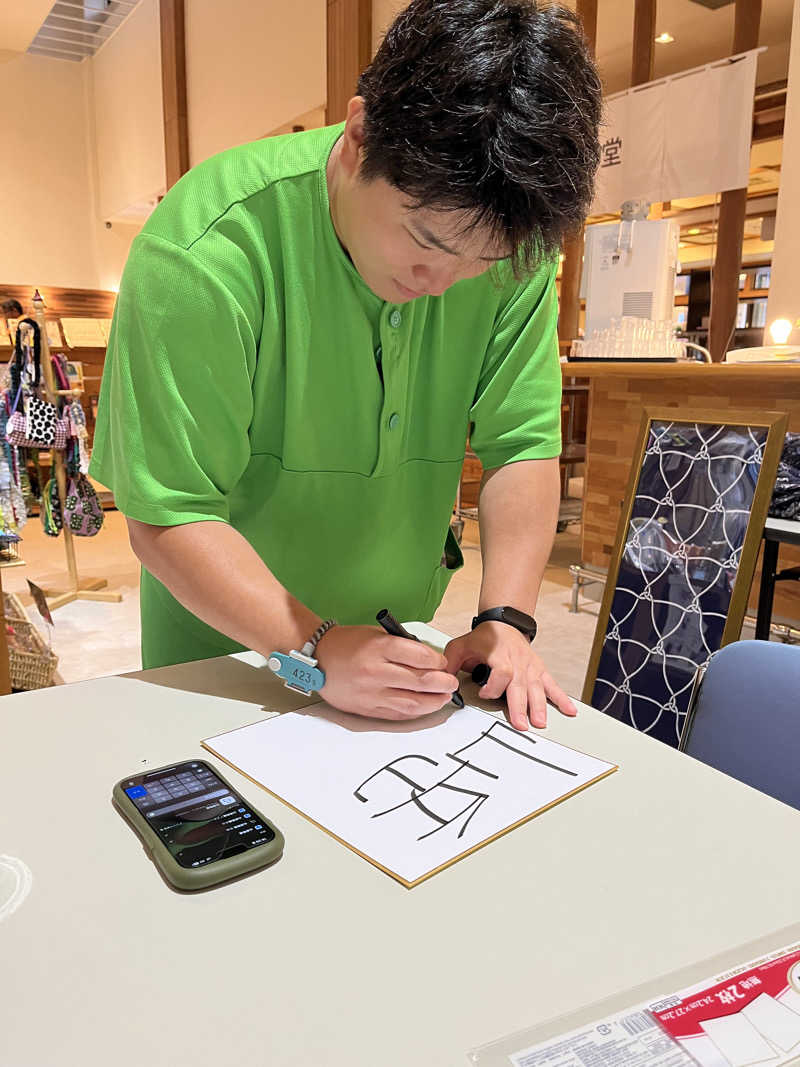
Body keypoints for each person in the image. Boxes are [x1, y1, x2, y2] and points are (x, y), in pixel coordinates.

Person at [90, 0, 601, 731]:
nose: (442, 281)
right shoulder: (203, 251)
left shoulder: (512, 256)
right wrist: (315, 645)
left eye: (480, 261)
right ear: (361, 137)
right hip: (221, 661)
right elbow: (168, 511)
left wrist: (508, 618)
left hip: (403, 655)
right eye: (424, 239)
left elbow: (522, 444)